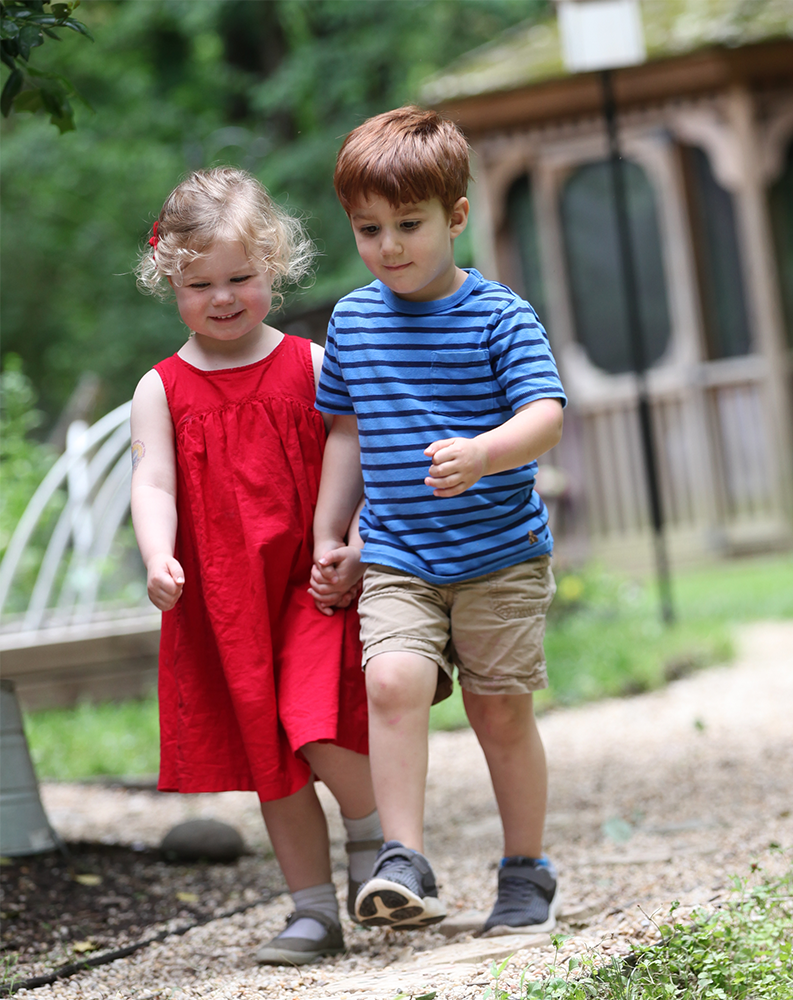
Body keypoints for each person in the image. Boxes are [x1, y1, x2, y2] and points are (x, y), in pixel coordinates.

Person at [310, 106, 566, 936]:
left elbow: (546, 414)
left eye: (409, 225)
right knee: (392, 681)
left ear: (457, 217)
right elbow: (345, 434)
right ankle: (403, 859)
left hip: (500, 554)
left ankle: (525, 871)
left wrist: (486, 453)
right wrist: (332, 534)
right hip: (398, 553)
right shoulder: (352, 321)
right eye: (369, 228)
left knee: (499, 711)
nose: (389, 247)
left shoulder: (499, 316)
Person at [130, 167, 381, 966]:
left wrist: (357, 541)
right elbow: (154, 479)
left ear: (274, 264)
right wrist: (158, 554)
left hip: (312, 582)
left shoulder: (310, 364)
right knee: (270, 752)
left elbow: (361, 457)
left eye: (241, 277)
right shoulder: (162, 389)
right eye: (201, 284)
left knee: (319, 724)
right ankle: (312, 910)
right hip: (226, 601)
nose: (224, 297)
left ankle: (378, 850)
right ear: (170, 279)